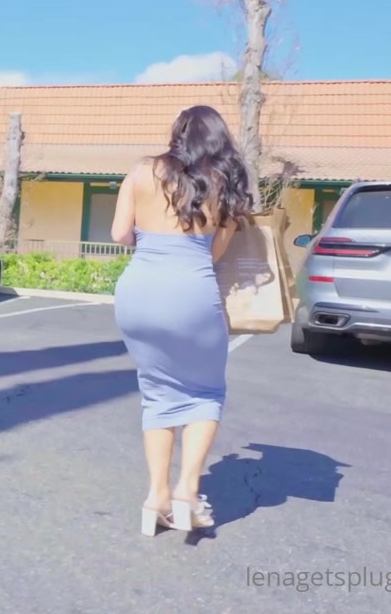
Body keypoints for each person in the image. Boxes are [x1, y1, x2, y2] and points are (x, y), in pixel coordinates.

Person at [109, 104, 254, 536]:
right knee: (205, 392)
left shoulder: (141, 172)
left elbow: (120, 234)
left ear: (178, 134)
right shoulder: (224, 185)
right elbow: (214, 255)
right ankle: (186, 492)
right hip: (190, 294)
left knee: (156, 394)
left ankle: (156, 497)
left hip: (137, 292)